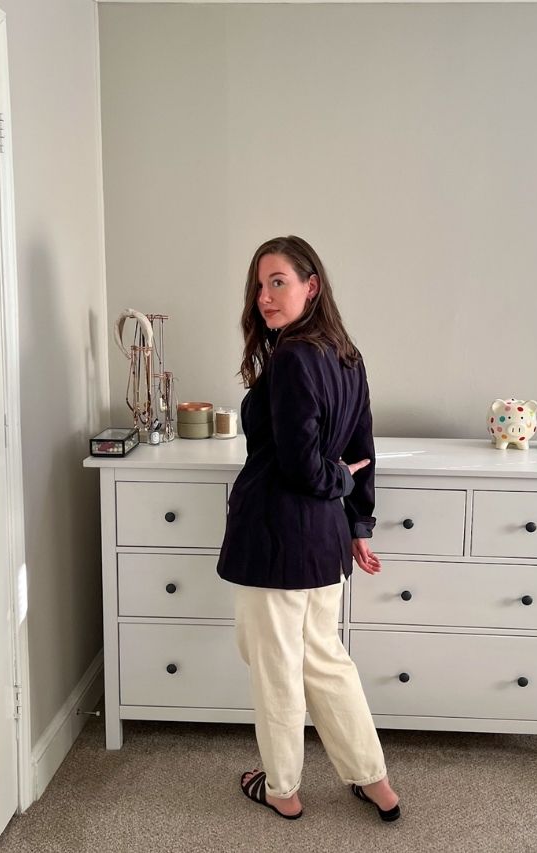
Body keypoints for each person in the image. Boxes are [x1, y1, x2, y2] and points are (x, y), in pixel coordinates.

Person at [215, 235, 401, 824]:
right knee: (324, 659)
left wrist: (344, 488)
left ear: (311, 285)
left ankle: (283, 788)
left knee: (275, 666)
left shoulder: (294, 358)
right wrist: (358, 523)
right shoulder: (347, 354)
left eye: (279, 282)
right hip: (321, 541)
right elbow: (361, 448)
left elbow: (307, 465)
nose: (265, 296)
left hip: (277, 537)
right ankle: (374, 781)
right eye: (260, 284)